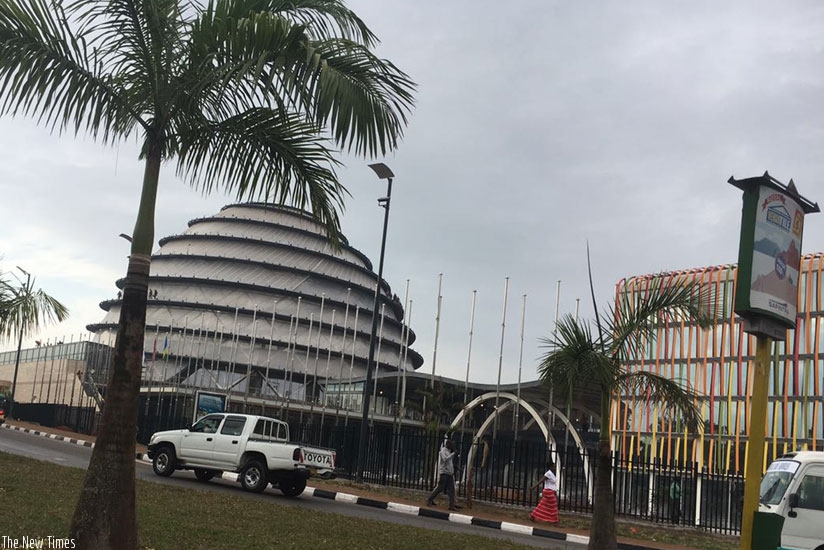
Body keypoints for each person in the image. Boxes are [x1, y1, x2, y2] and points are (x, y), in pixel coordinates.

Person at [426, 439, 461, 510]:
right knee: (440, 488)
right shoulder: (443, 451)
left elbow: (449, 462)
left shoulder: (448, 452)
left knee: (451, 490)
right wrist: (453, 454)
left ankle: (452, 505)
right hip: (444, 473)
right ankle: (429, 500)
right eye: (451, 445)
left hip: (449, 473)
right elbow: (445, 459)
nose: (452, 446)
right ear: (448, 445)